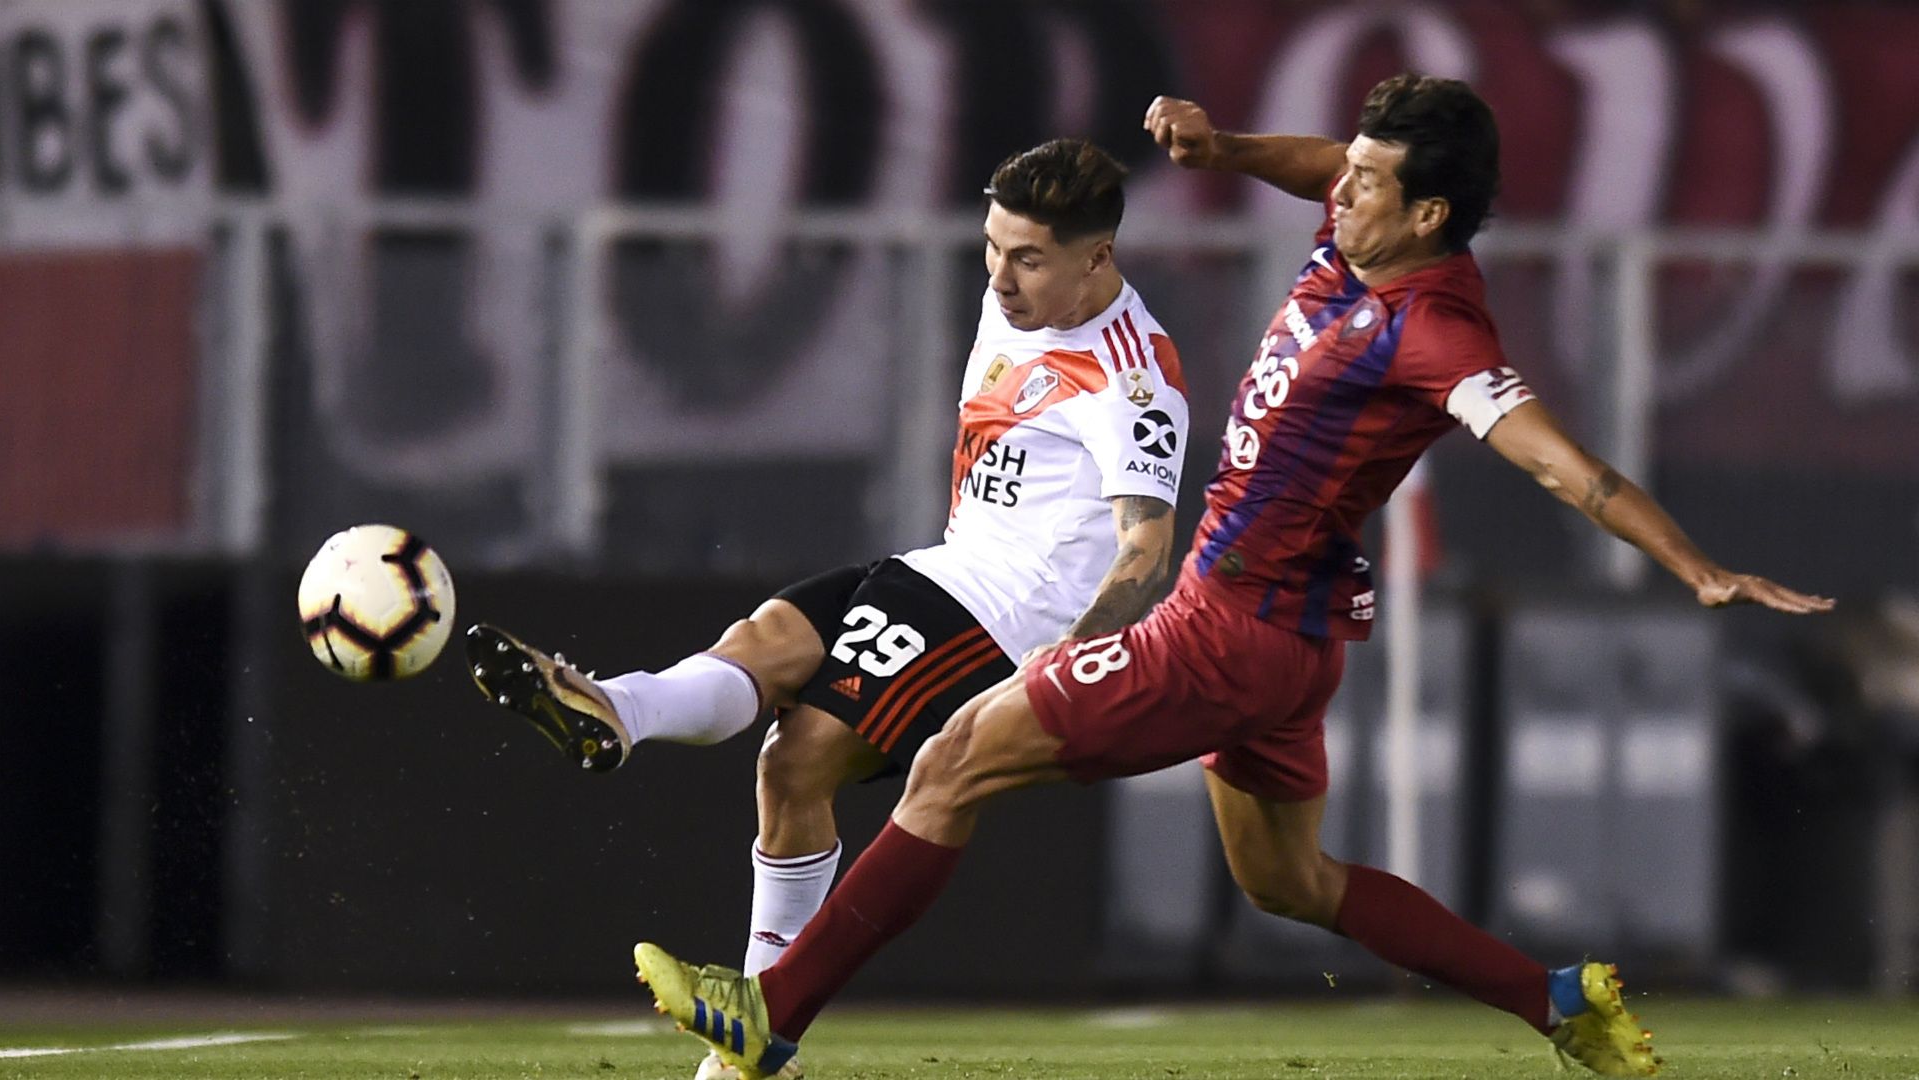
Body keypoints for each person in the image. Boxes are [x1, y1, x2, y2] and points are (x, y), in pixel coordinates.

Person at [632, 75, 1835, 1080]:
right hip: (1290, 644)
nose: (1339, 187)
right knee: (1290, 882)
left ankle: (771, 1017)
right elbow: (1317, 162)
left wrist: (1698, 567)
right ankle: (1560, 1001)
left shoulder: (1437, 332)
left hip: (1226, 630)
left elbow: (1564, 468)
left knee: (949, 765)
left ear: (1429, 216)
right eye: (1347, 171)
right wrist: (1223, 147)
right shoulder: (1355, 237)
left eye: (1367, 182)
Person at [466, 138, 1191, 1079]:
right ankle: (618, 711)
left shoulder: (1135, 381)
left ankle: (755, 1040)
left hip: (1011, 618)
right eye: (991, 247)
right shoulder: (1013, 302)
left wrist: (1075, 663)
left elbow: (1146, 545)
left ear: (1097, 258)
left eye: (1028, 258)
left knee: (798, 757)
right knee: (761, 646)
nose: (1000, 278)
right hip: (944, 566)